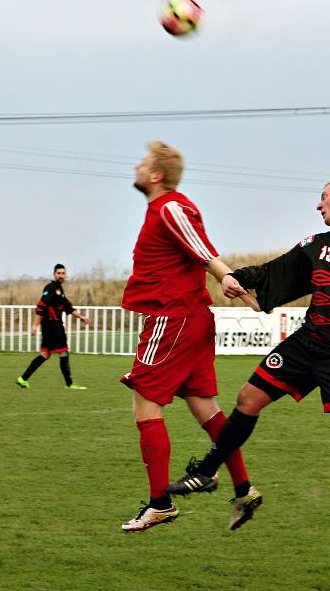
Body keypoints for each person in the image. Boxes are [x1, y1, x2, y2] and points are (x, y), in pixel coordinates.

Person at [167, 178, 330, 575]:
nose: (319, 206)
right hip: (307, 343)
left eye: (324, 198)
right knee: (248, 398)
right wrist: (238, 277)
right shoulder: (314, 244)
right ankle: (207, 472)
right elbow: (275, 271)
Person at [119, 141, 261, 533]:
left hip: (173, 319)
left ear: (156, 175)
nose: (136, 166)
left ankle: (159, 504)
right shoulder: (163, 209)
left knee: (145, 406)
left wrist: (229, 278)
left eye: (142, 163)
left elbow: (203, 250)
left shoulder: (170, 207)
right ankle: (244, 489)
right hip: (190, 318)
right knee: (207, 410)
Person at [16, 264, 91, 390]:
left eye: (63, 273)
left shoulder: (59, 290)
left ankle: (23, 379)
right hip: (52, 326)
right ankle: (69, 384)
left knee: (45, 354)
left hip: (51, 326)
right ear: (54, 274)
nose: (61, 275)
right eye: (59, 273)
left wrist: (81, 317)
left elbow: (68, 307)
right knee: (64, 351)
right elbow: (41, 306)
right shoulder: (51, 288)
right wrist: (34, 325)